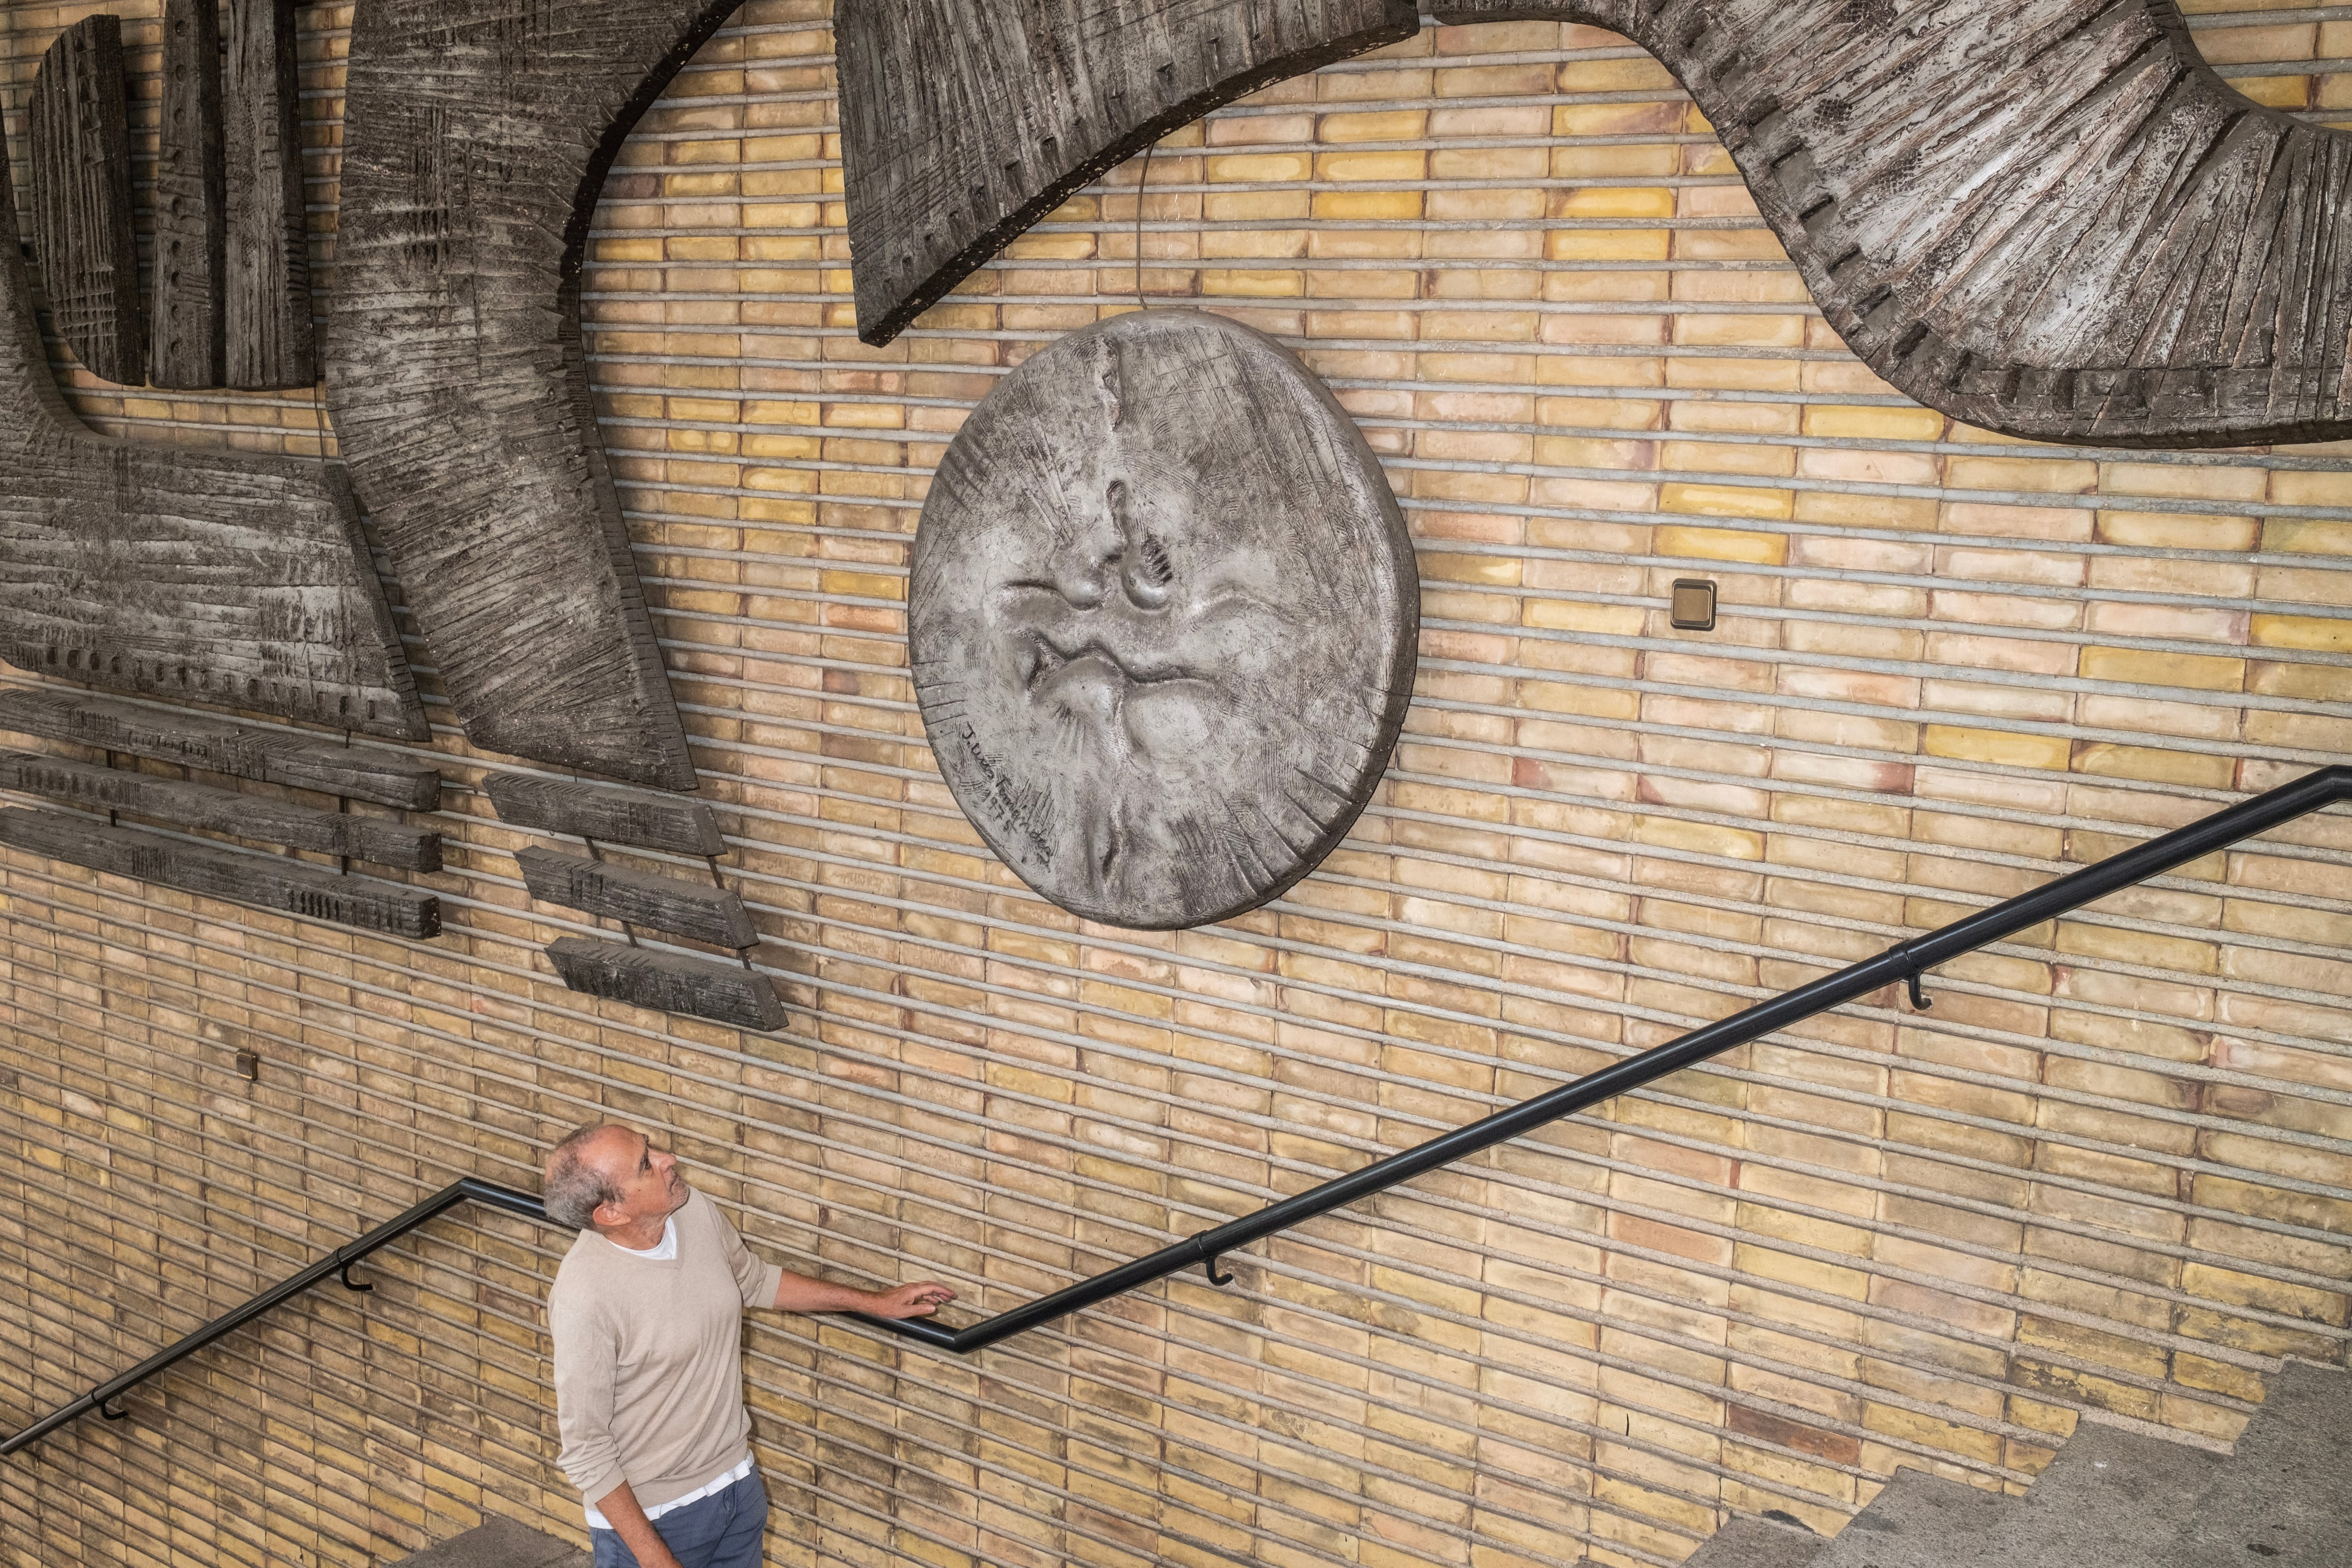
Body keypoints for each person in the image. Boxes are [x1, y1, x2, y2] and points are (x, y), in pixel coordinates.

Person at [542, 1122, 954, 1568]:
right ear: (611, 1213)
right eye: (646, 1164)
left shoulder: (692, 1211)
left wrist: (873, 1302)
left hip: (736, 1492)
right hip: (654, 1522)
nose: (668, 1159)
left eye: (651, 1148)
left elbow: (754, 1281)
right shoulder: (585, 1298)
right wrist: (655, 1558)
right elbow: (586, 1450)